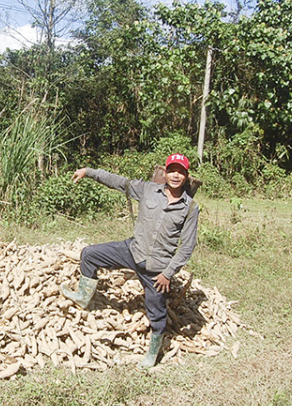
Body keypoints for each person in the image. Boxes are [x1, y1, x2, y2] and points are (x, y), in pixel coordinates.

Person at [61, 153, 199, 370]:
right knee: (89, 254)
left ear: (186, 176)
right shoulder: (148, 190)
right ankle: (83, 296)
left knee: (157, 312)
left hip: (157, 268)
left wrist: (168, 274)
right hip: (132, 250)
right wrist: (89, 172)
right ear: (165, 172)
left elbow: (187, 247)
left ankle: (153, 354)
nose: (175, 175)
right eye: (172, 170)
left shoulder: (190, 208)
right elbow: (118, 181)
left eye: (180, 172)